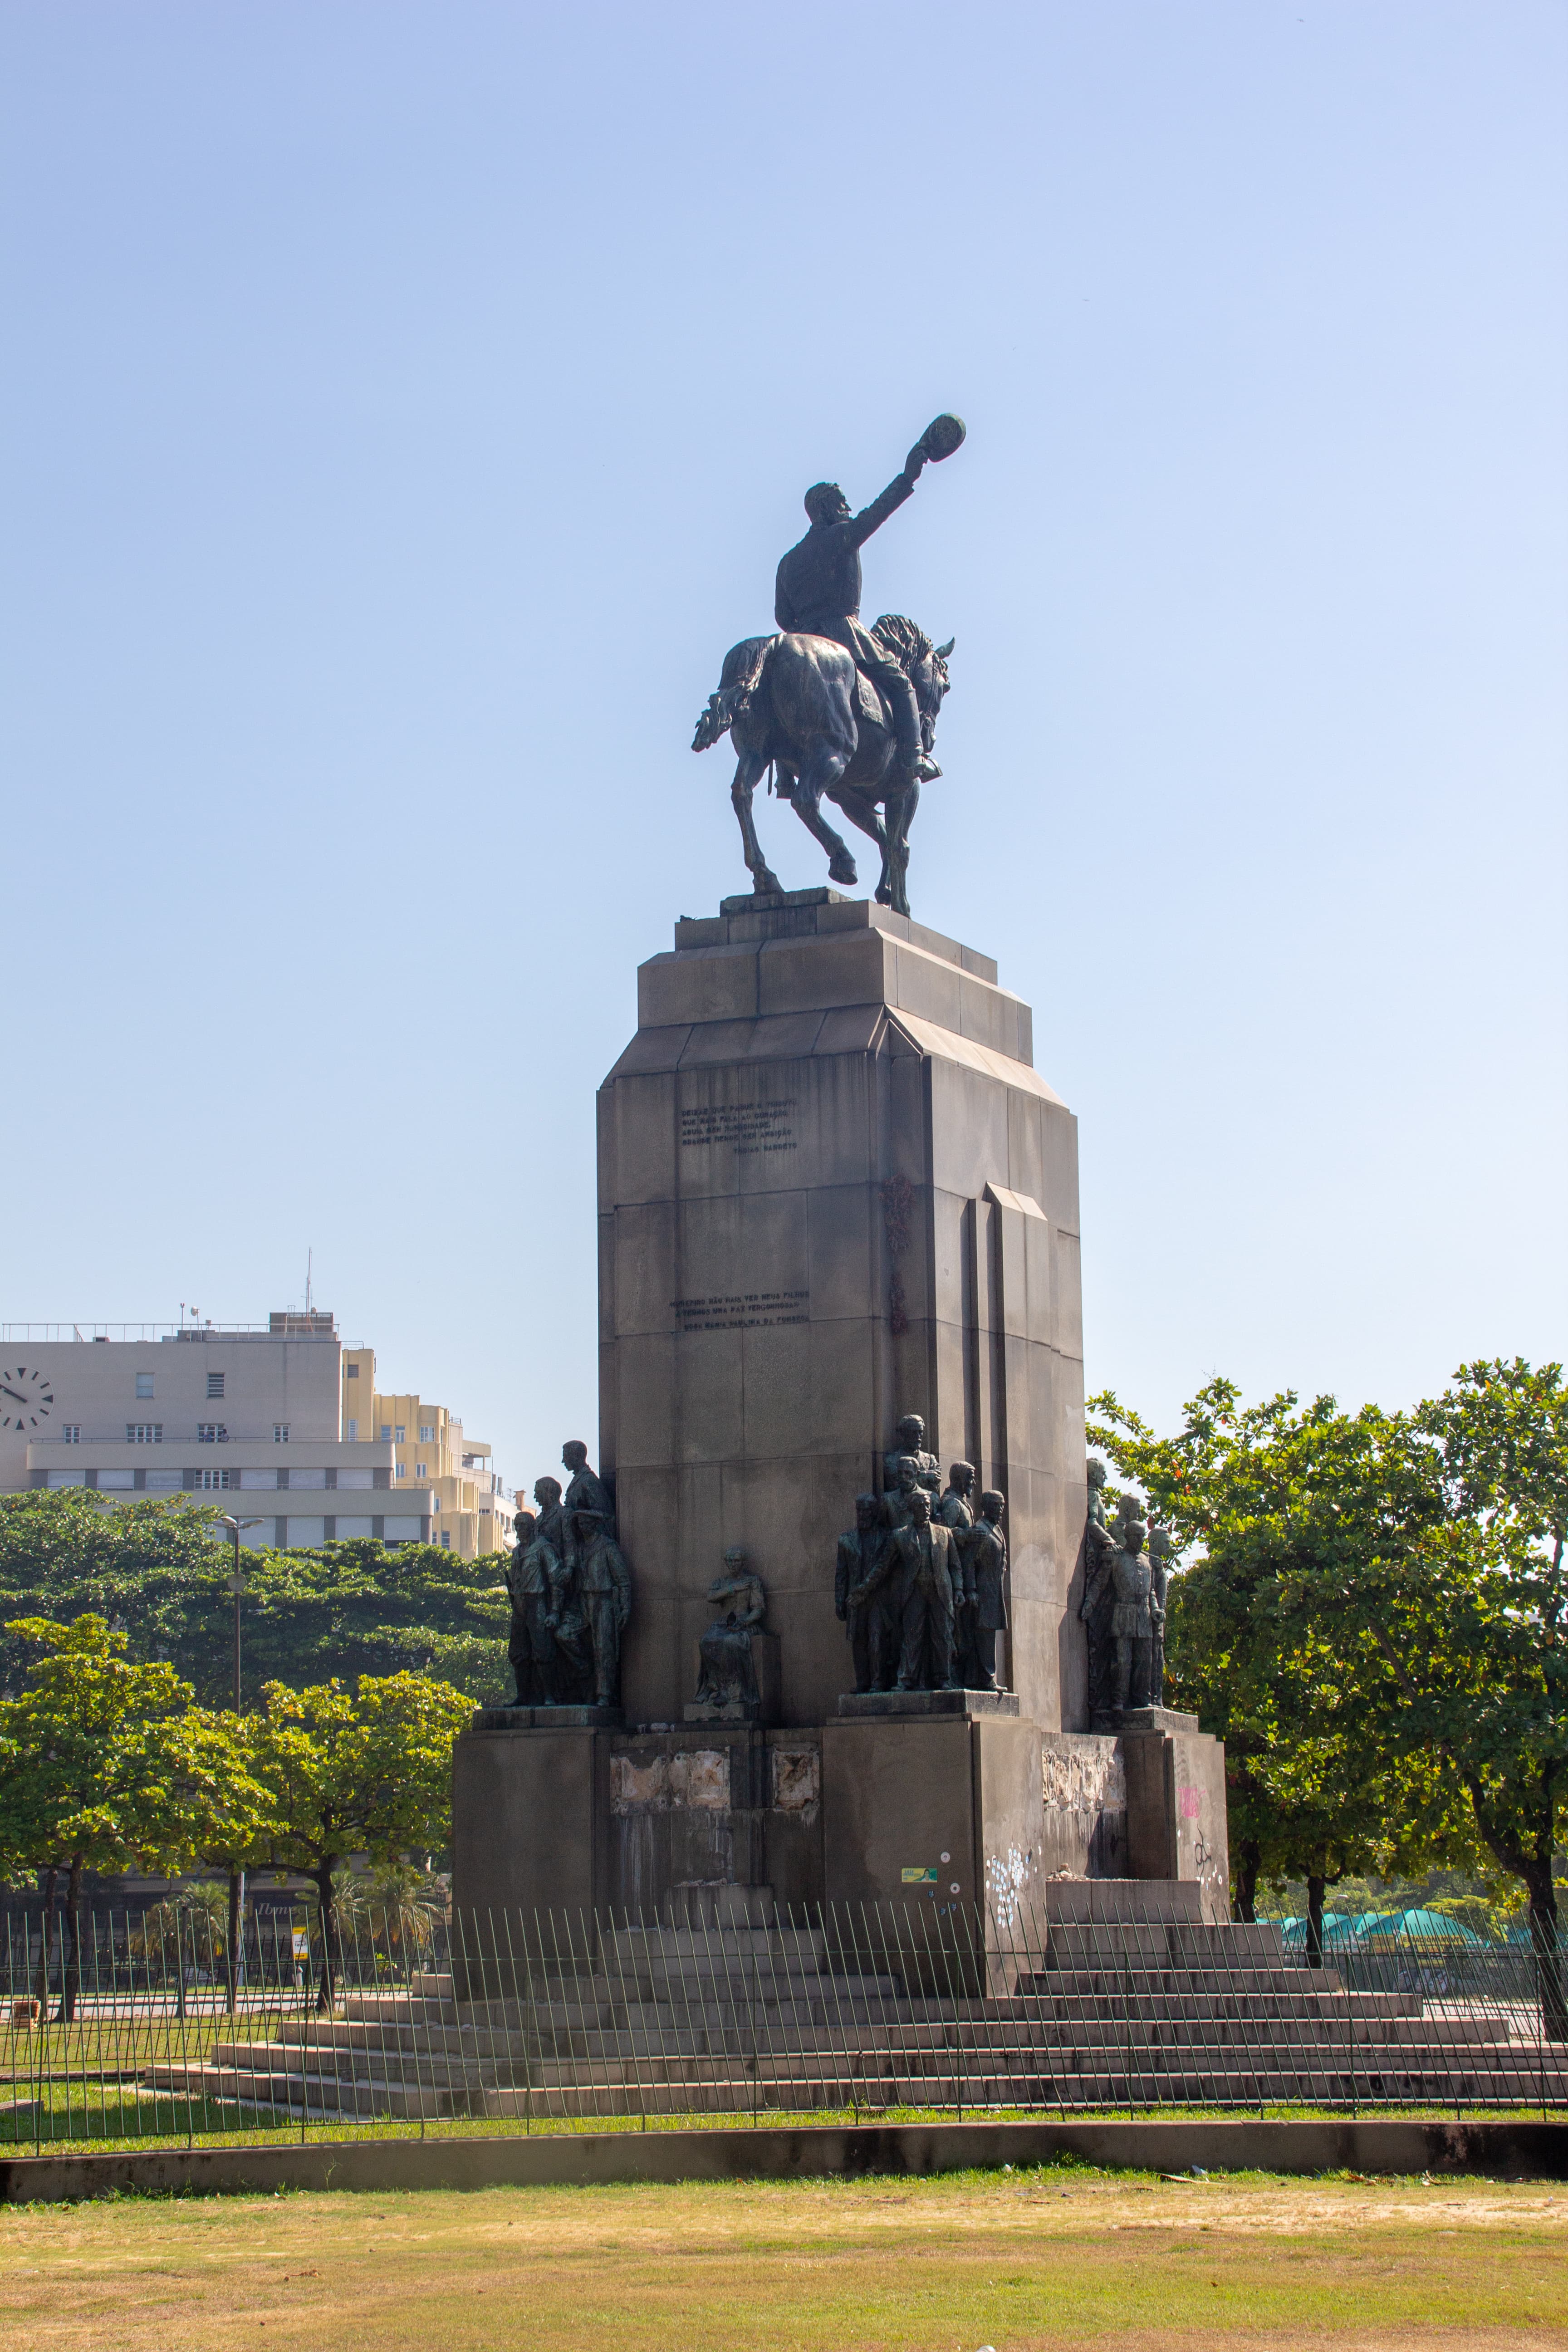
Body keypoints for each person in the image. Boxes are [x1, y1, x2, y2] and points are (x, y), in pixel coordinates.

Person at [774, 437, 939, 795]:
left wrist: (806, 631)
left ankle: (787, 775)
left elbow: (782, 618)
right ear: (825, 509)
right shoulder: (842, 536)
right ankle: (914, 756)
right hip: (843, 630)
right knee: (901, 682)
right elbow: (877, 513)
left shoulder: (788, 562)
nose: (847, 507)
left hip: (803, 634)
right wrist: (908, 477)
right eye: (840, 502)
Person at [892, 1489, 961, 1691]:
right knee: (912, 1636)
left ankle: (945, 1678)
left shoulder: (945, 1533)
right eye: (921, 1506)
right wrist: (866, 1587)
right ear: (912, 1509)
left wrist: (959, 1590)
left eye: (928, 1506)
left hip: (941, 1591)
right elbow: (884, 1566)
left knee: (944, 1636)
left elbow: (955, 1565)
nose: (925, 1509)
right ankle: (905, 1679)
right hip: (915, 1592)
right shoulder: (901, 1535)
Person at [505, 1508, 566, 1706]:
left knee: (543, 1650)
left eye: (522, 1525)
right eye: (516, 1526)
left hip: (538, 1602)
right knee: (518, 1652)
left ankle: (549, 1695)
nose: (518, 1530)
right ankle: (523, 1695)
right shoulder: (516, 1552)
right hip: (520, 1604)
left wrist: (555, 1612)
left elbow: (556, 1581)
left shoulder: (543, 1548)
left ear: (532, 1527)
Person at [571, 1508, 632, 1707]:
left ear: (595, 1524)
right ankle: (586, 1677)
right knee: (565, 1634)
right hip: (582, 1602)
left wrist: (625, 1607)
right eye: (580, 1524)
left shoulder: (608, 1547)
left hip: (604, 1601)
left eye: (586, 1523)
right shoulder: (579, 1548)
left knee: (604, 1649)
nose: (583, 1527)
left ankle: (604, 1693)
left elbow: (623, 1580)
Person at [693, 1548, 767, 1709]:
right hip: (722, 1624)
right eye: (730, 1561)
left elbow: (758, 1609)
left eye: (737, 1561)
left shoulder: (753, 1581)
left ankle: (735, 1691)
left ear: (743, 1562)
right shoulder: (722, 1582)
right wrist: (733, 1589)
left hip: (744, 1622)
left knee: (730, 1642)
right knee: (706, 1642)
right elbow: (711, 1597)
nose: (733, 1564)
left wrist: (744, 1623)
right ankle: (715, 1687)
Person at [836, 1494, 895, 1693]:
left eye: (868, 1510)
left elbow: (884, 1568)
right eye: (860, 1510)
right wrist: (839, 1601)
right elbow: (841, 1574)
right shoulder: (846, 1540)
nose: (863, 1515)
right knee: (858, 1641)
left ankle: (878, 1682)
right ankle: (863, 1682)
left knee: (877, 1640)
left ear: (875, 1512)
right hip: (855, 1601)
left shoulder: (887, 1537)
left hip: (878, 1599)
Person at [966, 1490, 1009, 1692]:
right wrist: (972, 1589)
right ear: (985, 1507)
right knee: (983, 1637)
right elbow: (969, 1562)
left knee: (989, 1634)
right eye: (996, 1505)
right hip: (982, 1593)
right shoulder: (980, 1530)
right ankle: (987, 1678)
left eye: (1002, 1505)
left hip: (993, 1591)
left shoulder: (997, 1529)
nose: (1000, 1510)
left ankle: (986, 1677)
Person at [882, 1413, 942, 1530]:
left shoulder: (930, 1459)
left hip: (925, 1521)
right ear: (903, 1434)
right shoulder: (891, 1460)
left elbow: (935, 1488)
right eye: (914, 1432)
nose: (918, 1436)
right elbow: (895, 1484)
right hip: (900, 1518)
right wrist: (926, 1475)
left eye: (921, 1432)